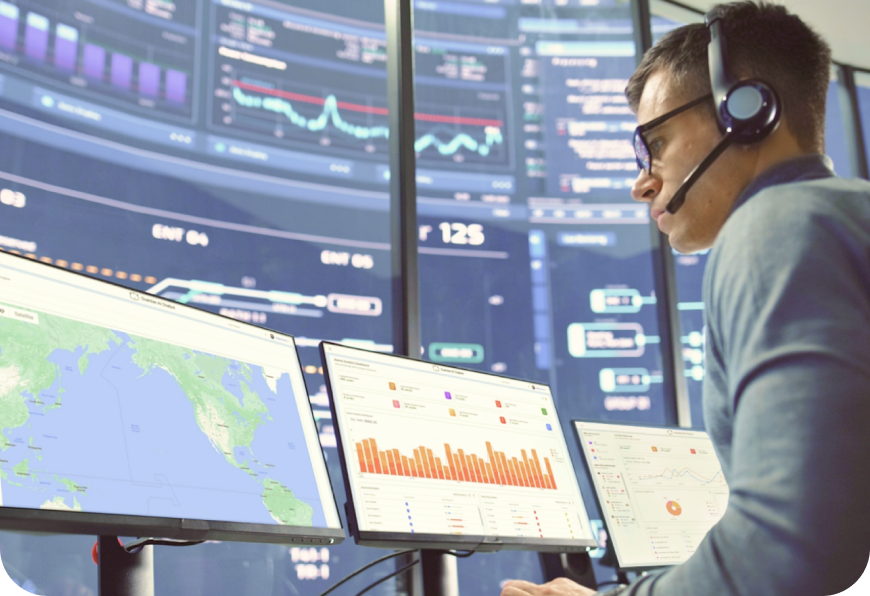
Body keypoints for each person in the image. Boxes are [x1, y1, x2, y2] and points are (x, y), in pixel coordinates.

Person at [502, 2, 870, 595]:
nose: (641, 180)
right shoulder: (846, 217)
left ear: (747, 111)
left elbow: (793, 550)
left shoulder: (777, 225)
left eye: (658, 141)